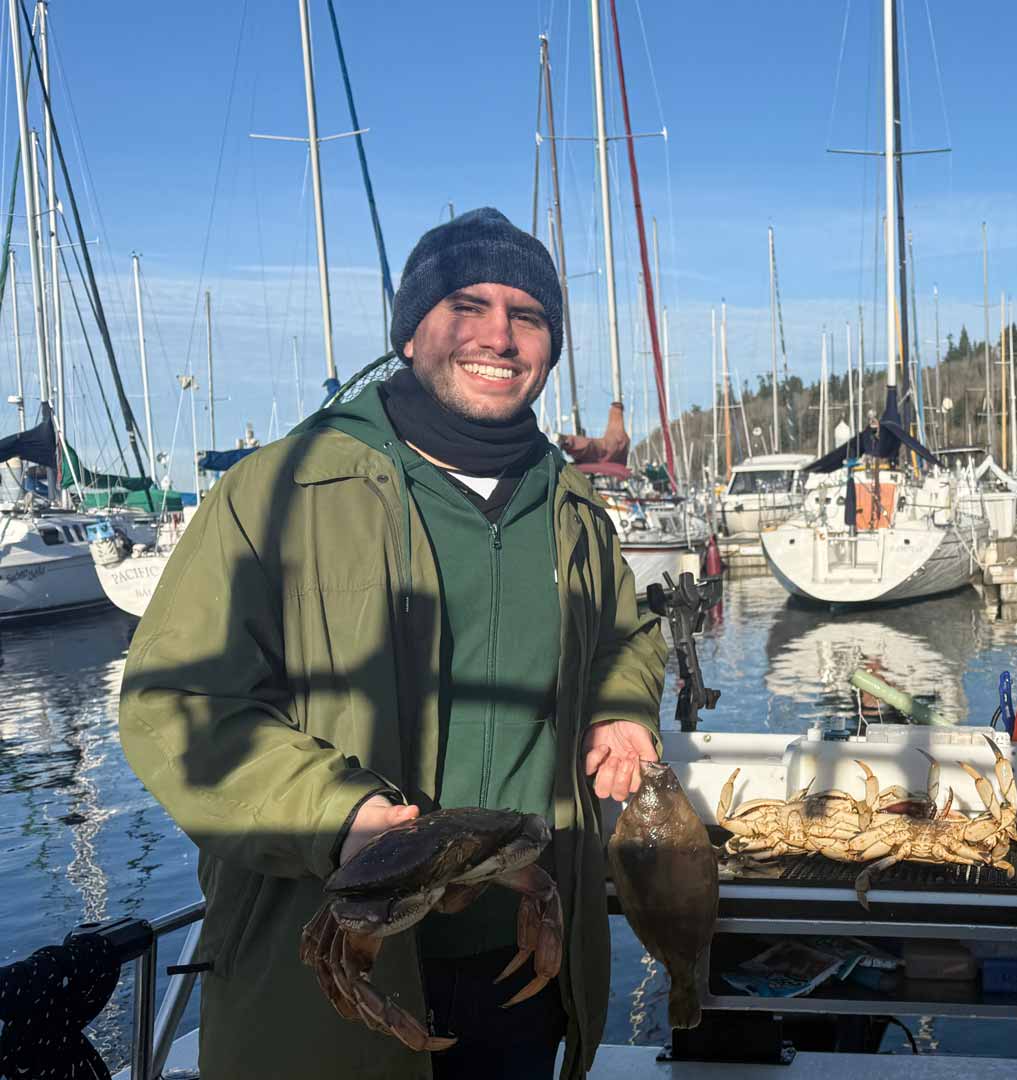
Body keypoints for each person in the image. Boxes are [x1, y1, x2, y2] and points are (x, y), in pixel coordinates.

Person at [120, 208, 668, 1080]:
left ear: (552, 348)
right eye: (467, 304)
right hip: (332, 968)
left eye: (528, 317)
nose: (499, 334)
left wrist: (623, 706)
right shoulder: (282, 491)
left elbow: (631, 635)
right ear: (411, 332)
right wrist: (339, 817)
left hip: (525, 958)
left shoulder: (573, 510)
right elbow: (175, 706)